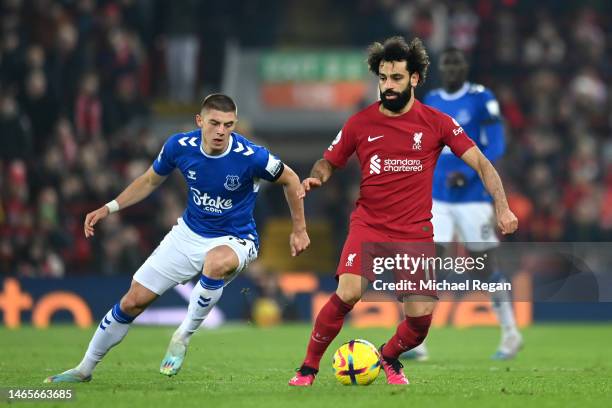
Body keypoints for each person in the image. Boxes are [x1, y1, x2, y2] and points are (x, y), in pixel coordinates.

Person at [288, 37, 517, 387]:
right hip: (369, 225)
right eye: (382, 78)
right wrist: (317, 177)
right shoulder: (360, 123)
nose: (388, 86)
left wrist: (502, 207)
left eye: (396, 78)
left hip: (414, 233)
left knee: (421, 321)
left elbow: (482, 164)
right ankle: (307, 369)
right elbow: (328, 160)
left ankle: (389, 356)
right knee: (348, 292)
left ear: (414, 79)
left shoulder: (437, 122)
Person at [45, 93, 310, 383]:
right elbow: (149, 180)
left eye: (228, 125)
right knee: (132, 301)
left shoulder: (252, 156)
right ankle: (84, 369)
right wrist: (110, 207)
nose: (221, 131)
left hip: (237, 238)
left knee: (215, 262)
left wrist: (299, 229)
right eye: (215, 123)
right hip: (187, 234)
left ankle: (182, 335)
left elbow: (291, 179)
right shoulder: (179, 146)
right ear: (200, 121)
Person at [402, 48, 522, 361]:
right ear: (440, 69)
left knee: (485, 267)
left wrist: (468, 174)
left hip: (474, 198)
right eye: (447, 64)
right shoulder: (432, 102)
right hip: (437, 198)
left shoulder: (482, 97)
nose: (452, 69)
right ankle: (417, 340)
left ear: (465, 67)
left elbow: (496, 144)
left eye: (457, 63)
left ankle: (511, 334)